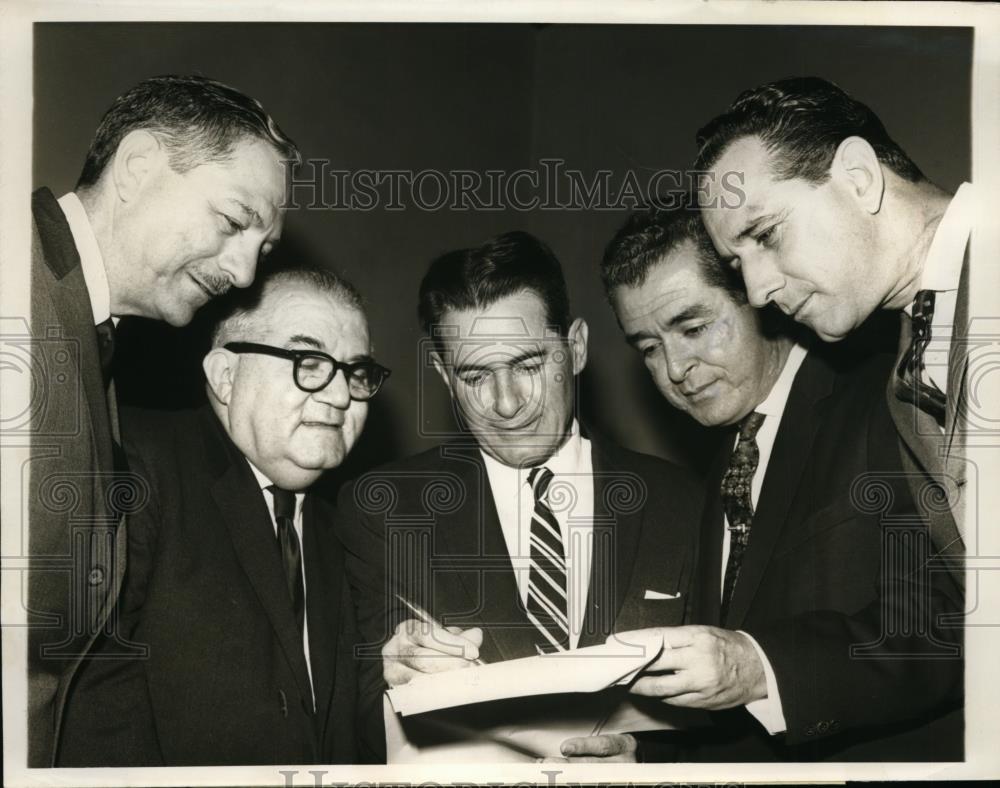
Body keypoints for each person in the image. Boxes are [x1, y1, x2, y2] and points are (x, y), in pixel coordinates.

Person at [600, 205, 963, 761]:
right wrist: (646, 760)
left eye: (693, 328)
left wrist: (757, 667)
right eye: (648, 347)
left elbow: (947, 623)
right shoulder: (722, 461)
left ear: (759, 300)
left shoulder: (884, 402)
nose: (674, 368)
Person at [336, 231, 702, 763]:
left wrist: (645, 762)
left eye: (529, 366)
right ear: (443, 374)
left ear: (575, 349)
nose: (506, 404)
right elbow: (353, 721)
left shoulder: (683, 502)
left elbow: (727, 724)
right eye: (476, 375)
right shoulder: (384, 509)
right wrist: (396, 686)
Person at [27, 74, 297, 766]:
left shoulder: (86, 329)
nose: (243, 274)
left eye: (263, 250)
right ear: (139, 168)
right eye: (234, 222)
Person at [56, 267, 389, 765]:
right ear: (225, 376)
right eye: (309, 361)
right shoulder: (136, 465)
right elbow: (86, 687)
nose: (341, 396)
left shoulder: (345, 526)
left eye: (355, 372)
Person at [693, 76, 974, 589]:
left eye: (766, 234)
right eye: (738, 265)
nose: (756, 291)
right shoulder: (904, 388)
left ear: (859, 177)